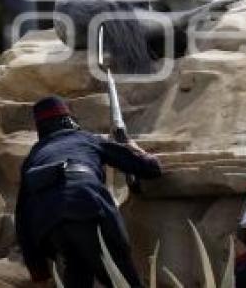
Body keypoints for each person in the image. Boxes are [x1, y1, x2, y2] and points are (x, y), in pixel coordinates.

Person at [15, 96, 163, 287]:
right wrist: (135, 148)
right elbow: (151, 169)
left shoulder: (34, 157)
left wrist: (39, 273)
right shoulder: (86, 139)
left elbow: (22, 220)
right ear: (70, 121)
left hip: (50, 222)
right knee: (122, 278)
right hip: (87, 204)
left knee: (77, 270)